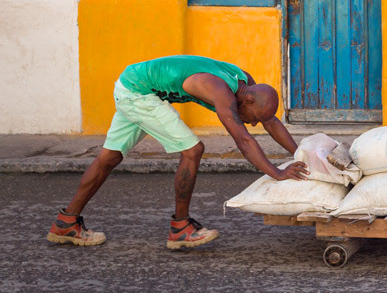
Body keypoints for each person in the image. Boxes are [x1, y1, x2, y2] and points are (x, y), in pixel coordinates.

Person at [46, 54, 309, 250]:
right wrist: (277, 173)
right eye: (253, 116)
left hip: (132, 83)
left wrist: (301, 153)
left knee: (110, 157)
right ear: (248, 100)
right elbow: (243, 139)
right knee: (193, 150)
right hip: (138, 93)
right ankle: (180, 227)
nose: (253, 122)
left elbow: (270, 121)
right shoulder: (220, 92)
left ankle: (65, 222)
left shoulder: (244, 81)